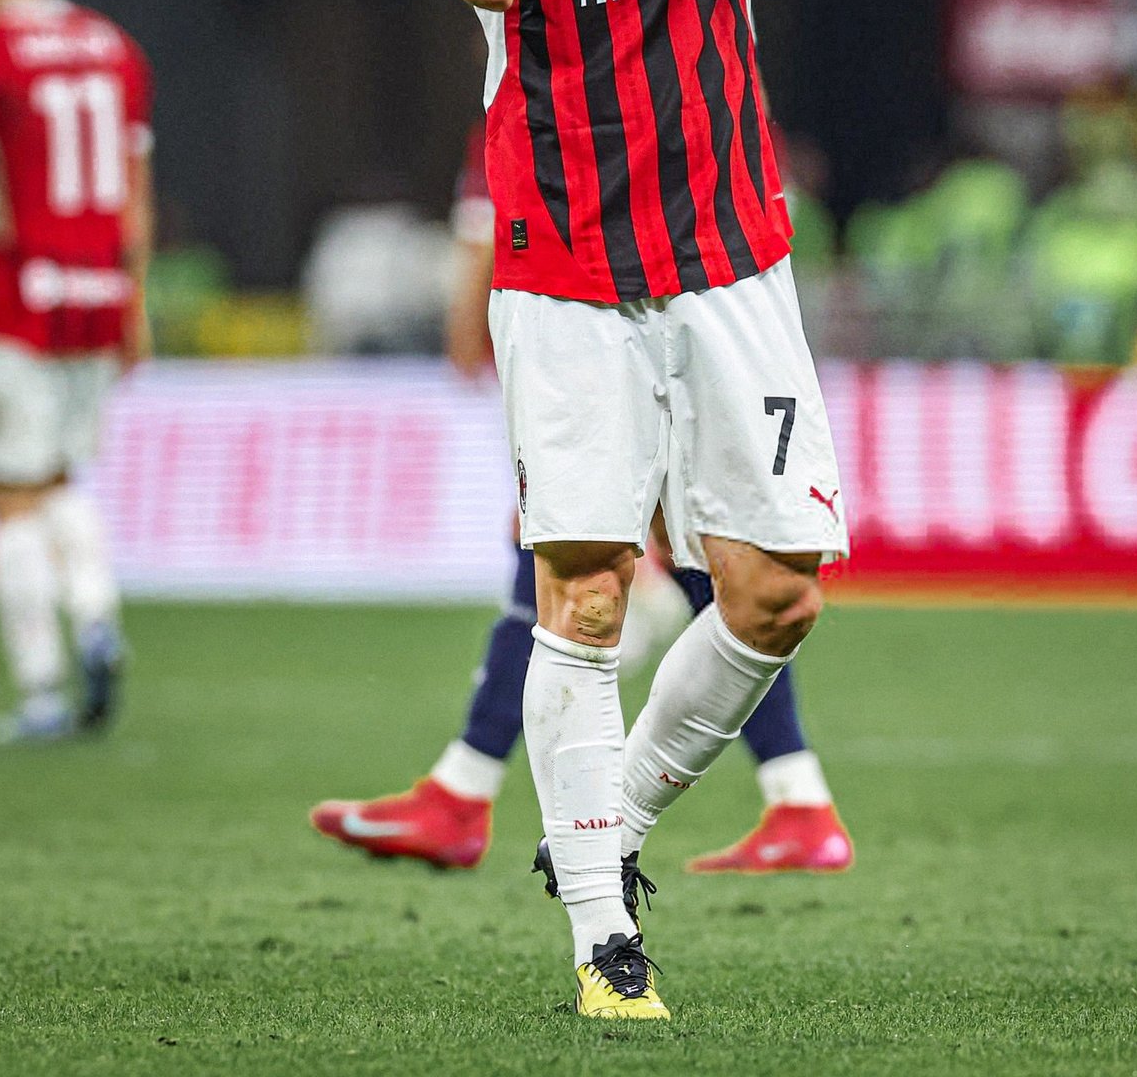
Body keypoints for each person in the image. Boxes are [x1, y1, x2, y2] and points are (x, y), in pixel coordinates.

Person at [414, 0, 849, 1020]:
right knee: (588, 590)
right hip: (565, 273)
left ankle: (605, 825)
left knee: (775, 595)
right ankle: (607, 941)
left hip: (729, 259)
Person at [310, 122, 852, 876]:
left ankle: (472, 794)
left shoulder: (537, 91)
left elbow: (488, 231)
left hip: (606, 317)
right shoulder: (699, 82)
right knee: (705, 559)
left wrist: (471, 334)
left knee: (592, 550)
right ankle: (795, 796)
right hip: (693, 304)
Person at [0, 0, 153, 744]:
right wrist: (135, 302)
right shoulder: (112, 45)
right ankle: (95, 615)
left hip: (19, 293)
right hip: (98, 292)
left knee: (11, 494)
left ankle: (43, 690)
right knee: (58, 476)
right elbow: (135, 190)